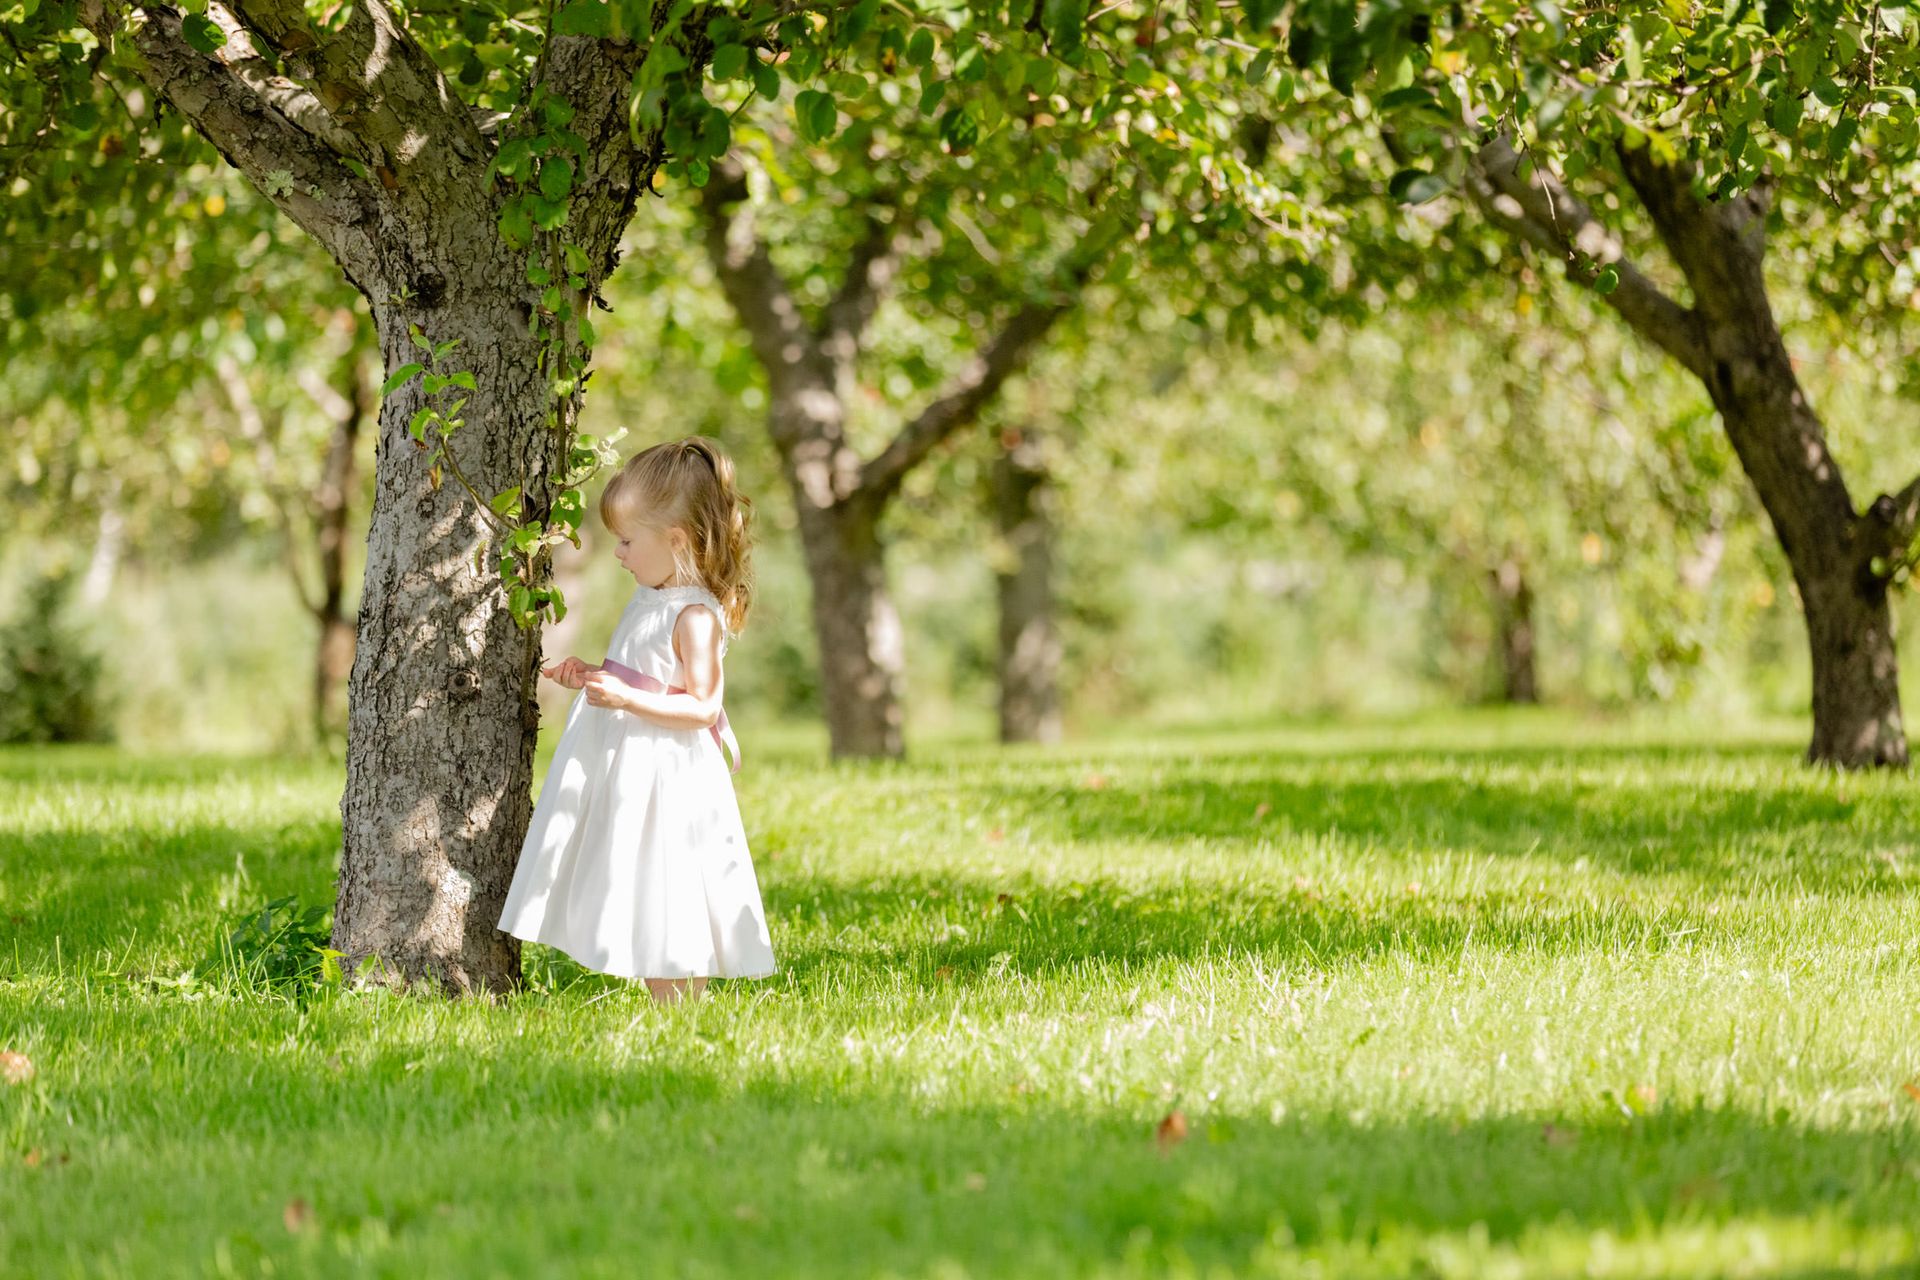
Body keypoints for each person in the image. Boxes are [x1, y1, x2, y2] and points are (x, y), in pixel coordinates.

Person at [497, 435, 776, 1004]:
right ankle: (667, 1001)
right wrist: (594, 674)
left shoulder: (695, 615)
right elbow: (646, 672)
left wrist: (625, 699)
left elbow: (702, 707)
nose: (618, 553)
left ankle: (682, 1003)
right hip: (629, 765)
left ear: (675, 541)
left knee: (668, 884)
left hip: (666, 774)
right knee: (637, 880)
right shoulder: (650, 599)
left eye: (627, 540)